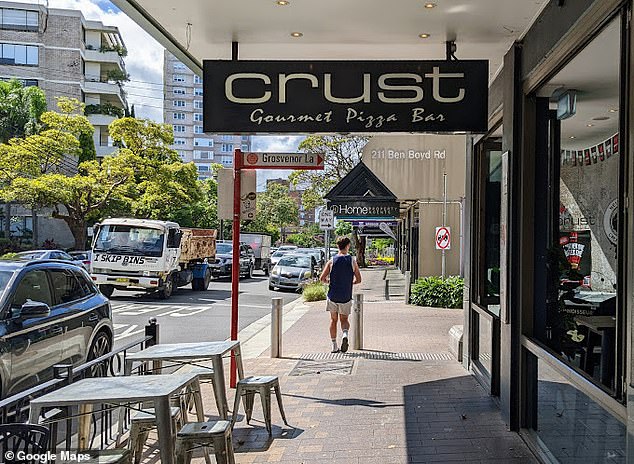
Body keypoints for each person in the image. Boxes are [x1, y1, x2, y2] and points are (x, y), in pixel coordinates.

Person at [320, 236, 362, 353]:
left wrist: (330, 282)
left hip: (333, 295)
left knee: (333, 320)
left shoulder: (332, 261)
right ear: (347, 246)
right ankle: (345, 334)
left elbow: (322, 278)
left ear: (337, 246)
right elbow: (359, 279)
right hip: (345, 296)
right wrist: (349, 283)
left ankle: (334, 346)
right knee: (344, 319)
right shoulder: (352, 261)